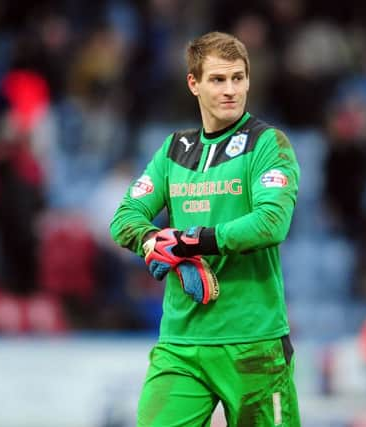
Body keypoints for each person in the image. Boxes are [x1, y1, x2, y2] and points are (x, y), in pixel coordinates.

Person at [110, 31, 301, 426]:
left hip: (254, 344)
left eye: (238, 77)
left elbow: (270, 223)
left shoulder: (268, 143)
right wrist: (154, 241)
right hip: (181, 343)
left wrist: (187, 242)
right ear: (193, 83)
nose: (231, 89)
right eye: (218, 79)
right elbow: (124, 218)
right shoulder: (173, 149)